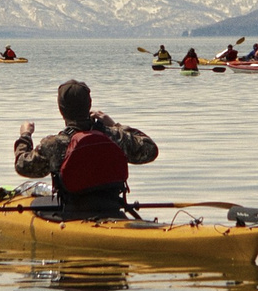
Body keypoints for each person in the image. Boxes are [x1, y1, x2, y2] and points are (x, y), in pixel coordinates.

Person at [14, 79, 158, 218]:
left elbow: (22, 165)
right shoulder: (114, 136)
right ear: (89, 105)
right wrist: (115, 126)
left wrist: (25, 135)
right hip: (112, 207)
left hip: (73, 212)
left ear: (61, 109)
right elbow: (150, 149)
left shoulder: (54, 144)